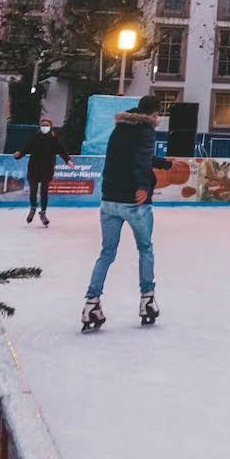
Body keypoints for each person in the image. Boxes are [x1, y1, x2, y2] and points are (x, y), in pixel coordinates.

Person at [81, 95, 163, 332]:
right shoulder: (146, 129)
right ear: (154, 114)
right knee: (145, 248)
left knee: (106, 253)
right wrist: (142, 187)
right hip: (133, 201)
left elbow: (125, 158)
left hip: (109, 200)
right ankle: (147, 300)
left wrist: (163, 164)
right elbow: (140, 160)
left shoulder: (120, 128)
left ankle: (91, 303)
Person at [13, 116, 71, 227]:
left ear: (50, 127)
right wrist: (19, 155)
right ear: (40, 127)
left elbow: (61, 151)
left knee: (44, 191)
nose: (45, 127)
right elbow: (25, 149)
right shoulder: (35, 137)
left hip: (47, 169)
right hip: (34, 168)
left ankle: (43, 212)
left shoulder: (54, 139)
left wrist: (68, 161)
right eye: (43, 125)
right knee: (33, 191)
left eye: (47, 126)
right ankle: (33, 208)